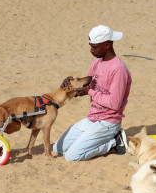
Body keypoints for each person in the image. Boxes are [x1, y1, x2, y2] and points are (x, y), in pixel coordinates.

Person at [52, 25, 132, 161]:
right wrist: (69, 83)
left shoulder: (118, 70)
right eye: (90, 46)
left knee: (72, 156)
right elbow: (87, 85)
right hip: (92, 118)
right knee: (58, 148)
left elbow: (115, 103)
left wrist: (89, 91)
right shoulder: (97, 63)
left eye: (94, 47)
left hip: (108, 122)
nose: (91, 50)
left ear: (107, 45)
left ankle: (114, 142)